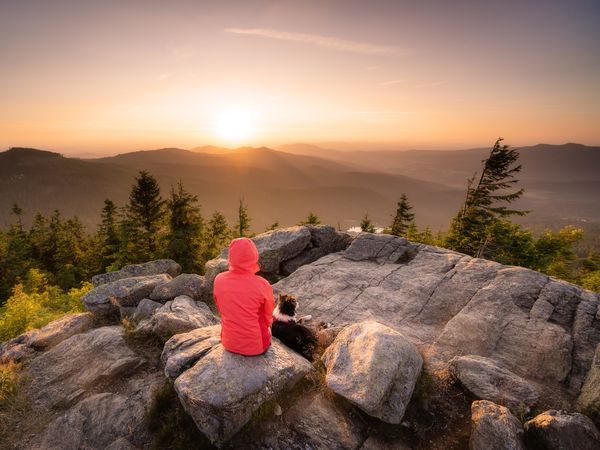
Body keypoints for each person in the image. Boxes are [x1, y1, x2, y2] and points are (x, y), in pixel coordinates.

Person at [213, 237, 275, 356]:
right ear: (254, 257)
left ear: (231, 257)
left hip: (228, 343)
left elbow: (220, 307)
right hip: (256, 347)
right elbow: (268, 316)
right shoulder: (262, 284)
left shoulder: (219, 279)